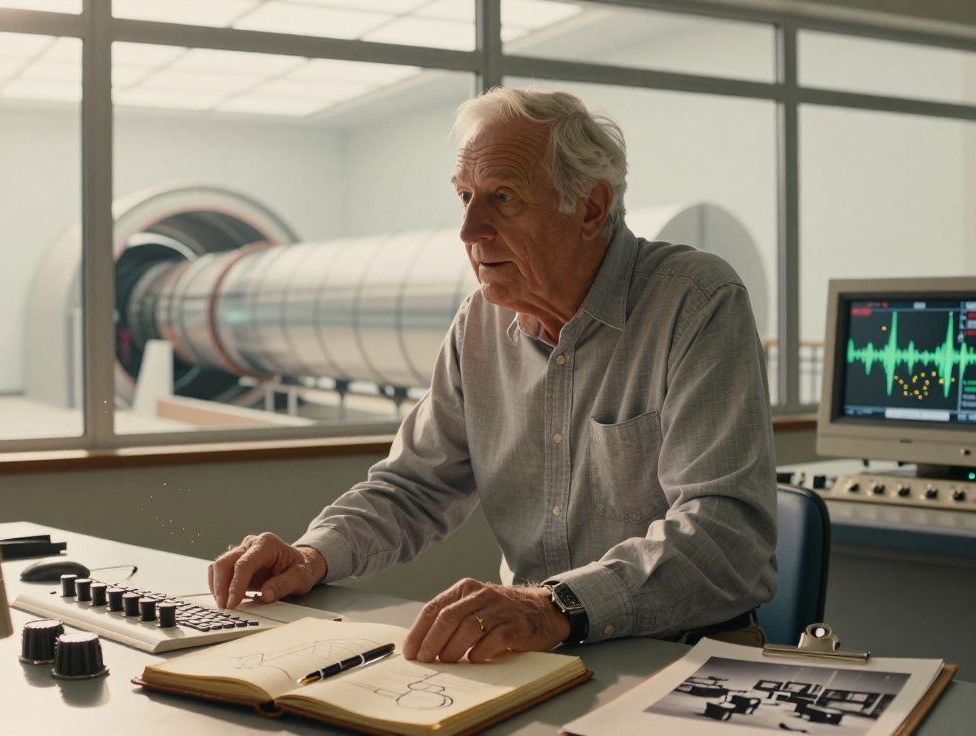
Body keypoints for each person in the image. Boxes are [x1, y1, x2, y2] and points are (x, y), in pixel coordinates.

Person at [208, 88, 777, 663]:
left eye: (502, 197)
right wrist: (313, 555)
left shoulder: (696, 303)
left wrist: (552, 607)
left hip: (680, 653)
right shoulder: (478, 323)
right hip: (537, 649)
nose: (469, 230)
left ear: (589, 207)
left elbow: (723, 535)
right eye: (464, 196)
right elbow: (414, 487)